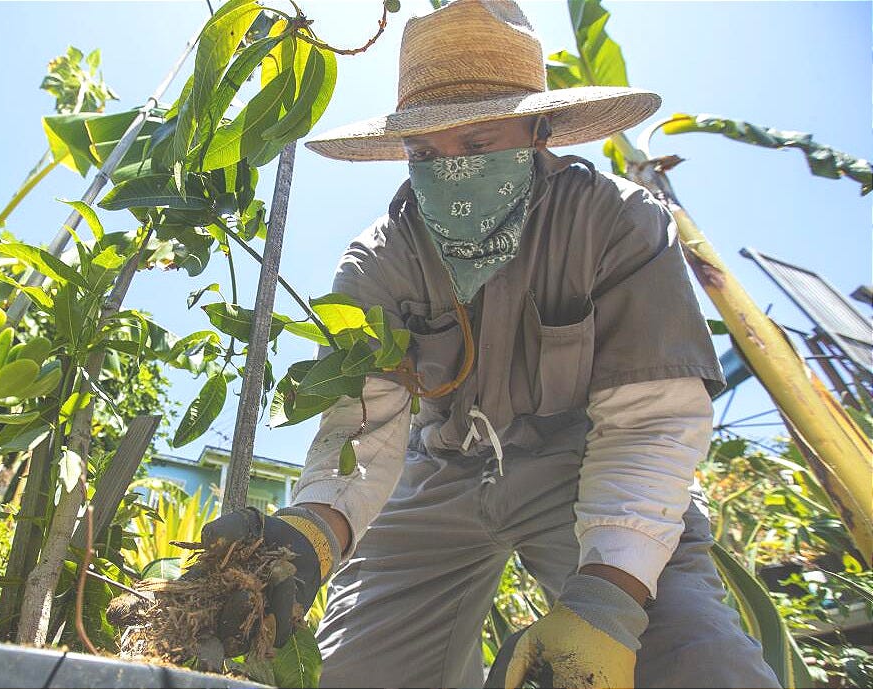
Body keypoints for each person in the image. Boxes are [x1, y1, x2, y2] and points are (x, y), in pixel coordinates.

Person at [197, 1, 782, 686]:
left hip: (585, 459)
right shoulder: (379, 261)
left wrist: (608, 601)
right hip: (435, 475)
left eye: (477, 145)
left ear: (537, 131)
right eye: (424, 153)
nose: (450, 171)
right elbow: (367, 426)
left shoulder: (618, 222)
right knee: (356, 671)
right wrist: (313, 532)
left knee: (695, 662)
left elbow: (649, 420)